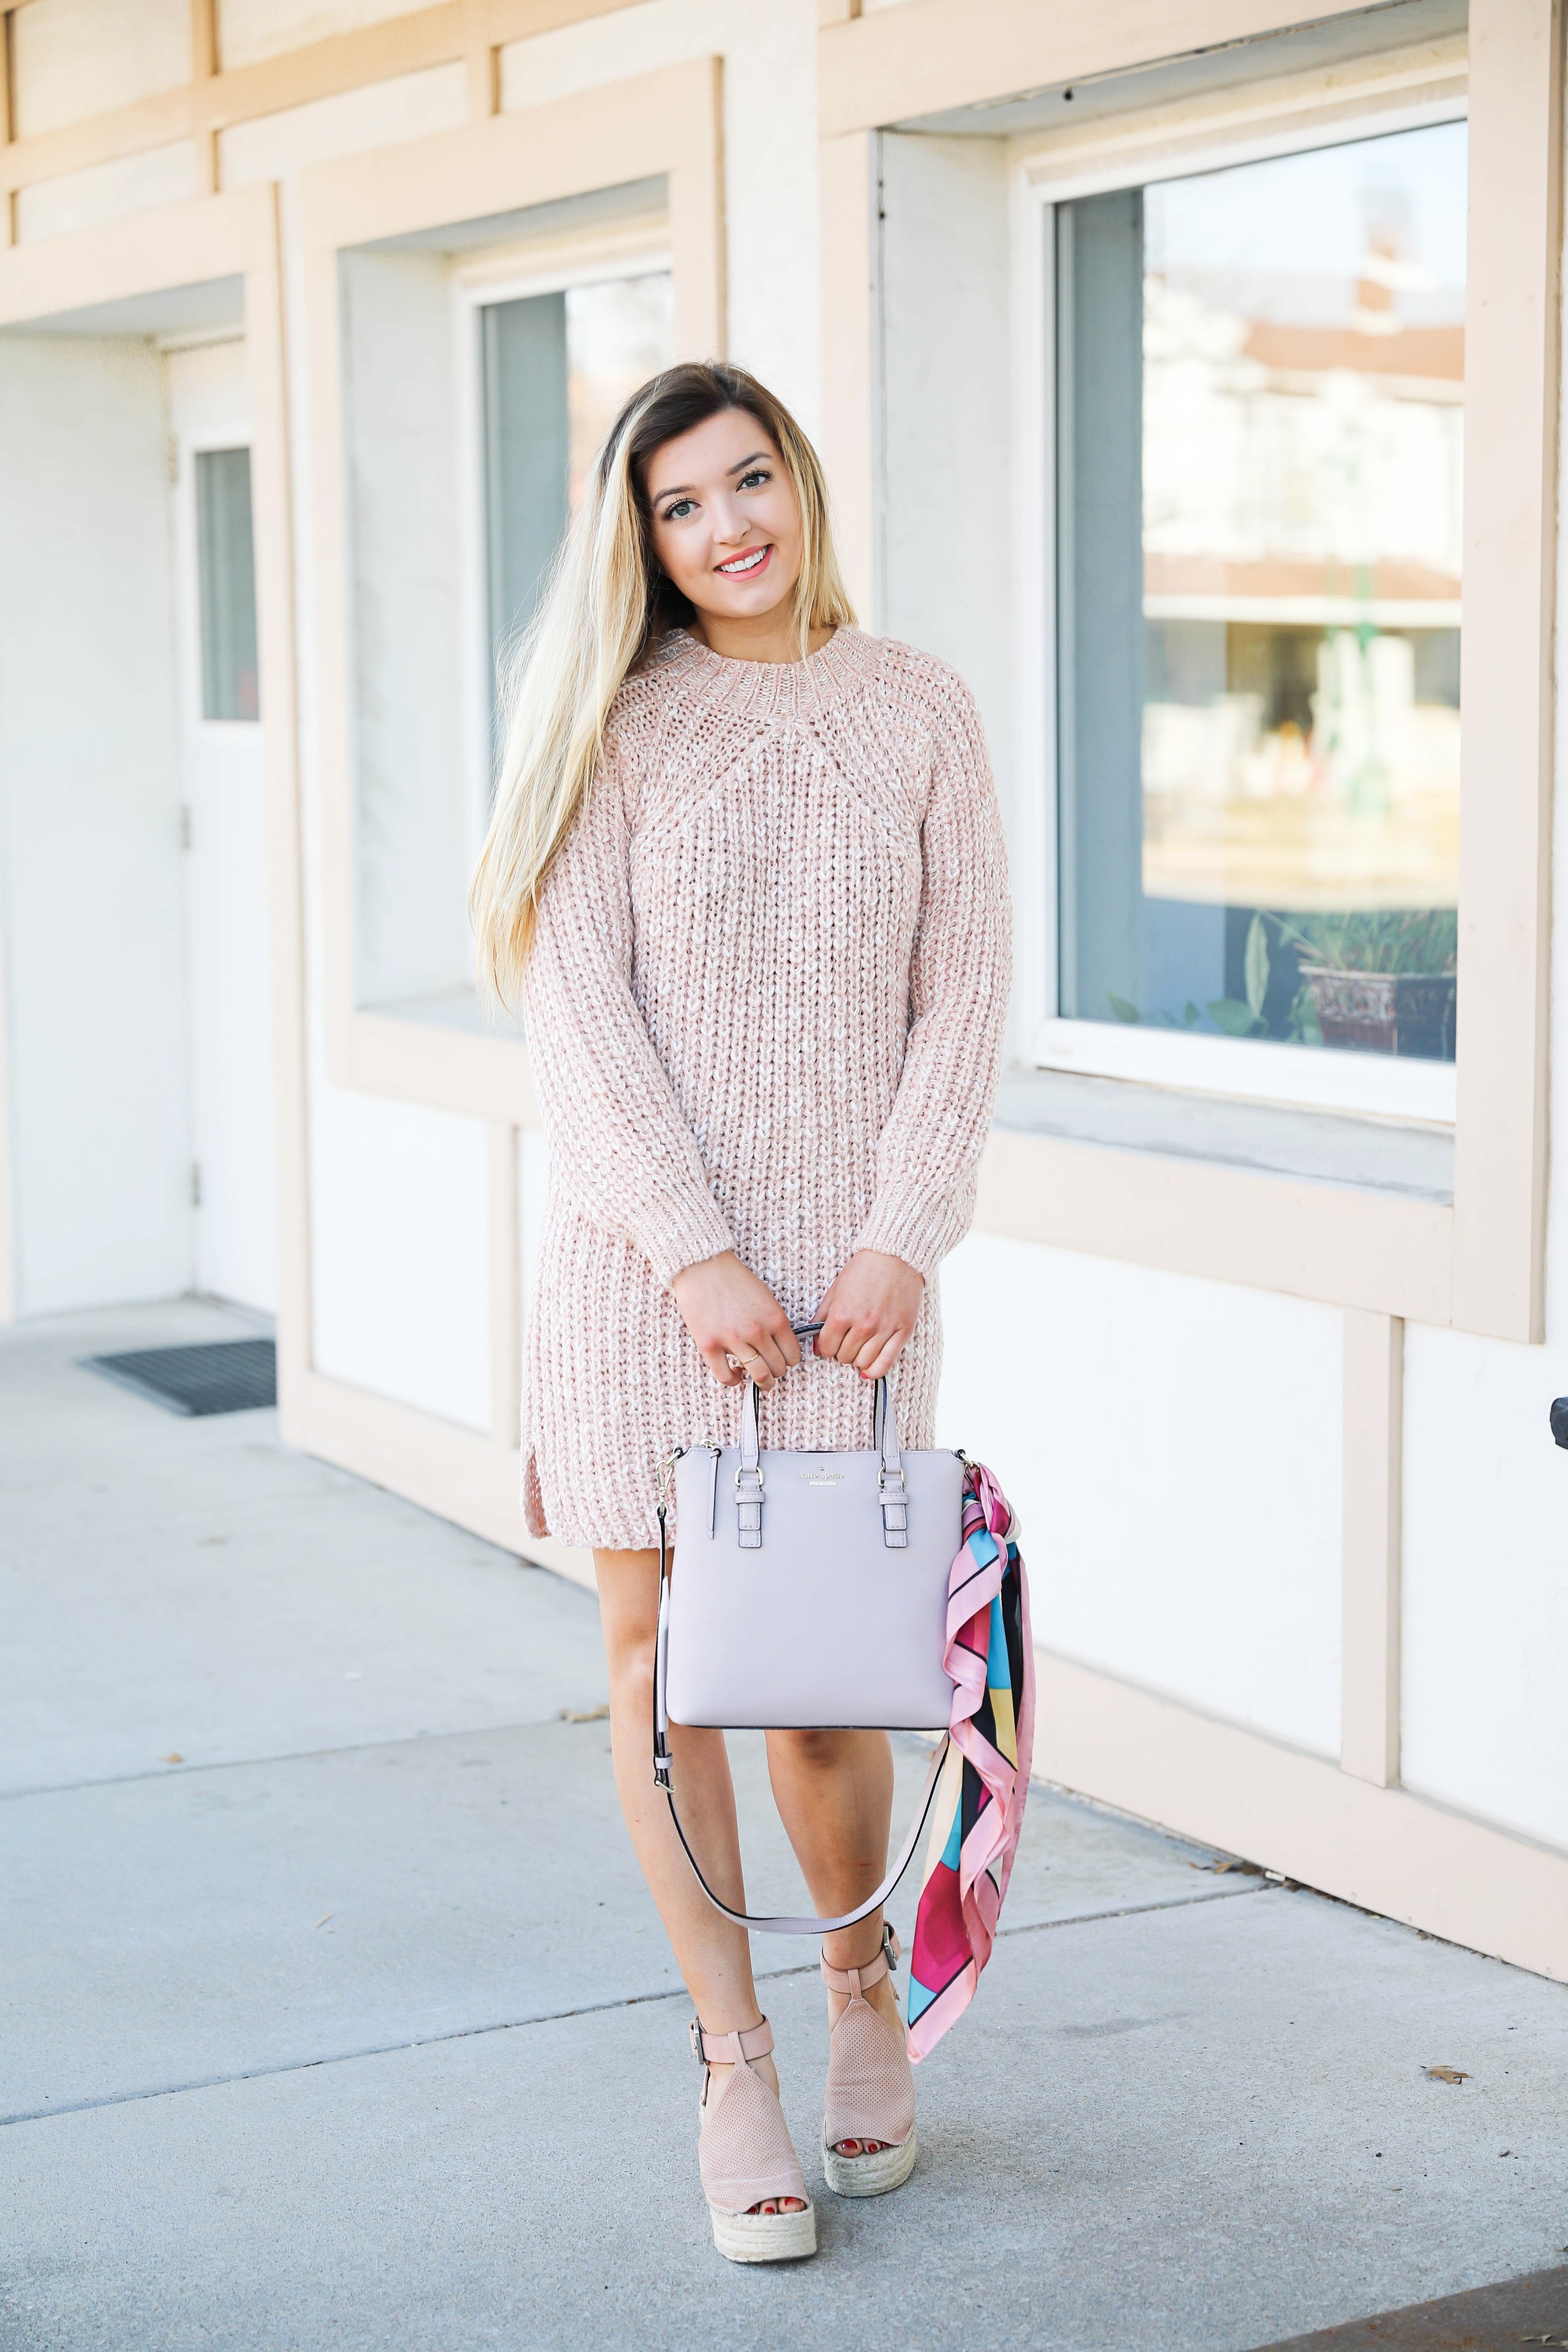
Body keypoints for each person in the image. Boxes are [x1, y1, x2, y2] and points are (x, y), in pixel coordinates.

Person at [470, 361, 1009, 2264]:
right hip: (642, 1287)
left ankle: (863, 1991)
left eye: (749, 481)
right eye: (682, 507)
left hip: (853, 1295)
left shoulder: (920, 709)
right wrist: (694, 1248)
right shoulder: (614, 732)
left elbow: (964, 999)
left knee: (822, 1681)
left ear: (802, 484)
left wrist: (901, 1233)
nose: (728, 530)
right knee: (661, 1669)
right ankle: (732, 2059)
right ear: (643, 544)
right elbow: (580, 1019)